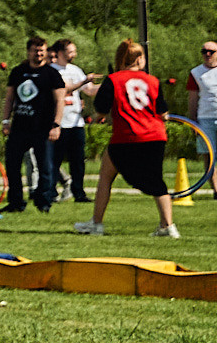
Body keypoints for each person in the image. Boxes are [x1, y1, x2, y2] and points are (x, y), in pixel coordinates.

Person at [76, 42, 179, 239]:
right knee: (156, 181)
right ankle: (168, 225)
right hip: (155, 136)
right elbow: (162, 112)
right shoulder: (153, 80)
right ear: (139, 59)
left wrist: (100, 117)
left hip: (127, 136)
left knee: (106, 178)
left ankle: (97, 223)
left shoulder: (113, 80)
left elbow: (101, 109)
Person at [0, 37, 64, 214]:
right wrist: (5, 120)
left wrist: (56, 124)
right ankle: (15, 202)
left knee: (45, 167)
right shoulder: (18, 71)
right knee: (12, 165)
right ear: (28, 52)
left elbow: (60, 100)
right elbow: (10, 98)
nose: (39, 54)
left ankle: (44, 202)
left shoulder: (52, 74)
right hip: (20, 127)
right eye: (35, 50)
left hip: (43, 128)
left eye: (42, 50)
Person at [49, 38, 90, 203]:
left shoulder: (76, 70)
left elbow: (89, 90)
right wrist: (84, 81)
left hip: (76, 122)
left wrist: (109, 85)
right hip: (59, 123)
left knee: (78, 160)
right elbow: (64, 88)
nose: (74, 54)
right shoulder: (51, 71)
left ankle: (79, 192)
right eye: (70, 51)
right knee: (55, 159)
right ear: (60, 53)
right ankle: (51, 192)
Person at [187, 38, 217, 201]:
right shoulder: (196, 73)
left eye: (211, 52)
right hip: (205, 119)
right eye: (204, 51)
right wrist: (192, 121)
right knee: (209, 155)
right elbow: (192, 98)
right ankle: (216, 190)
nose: (208, 54)